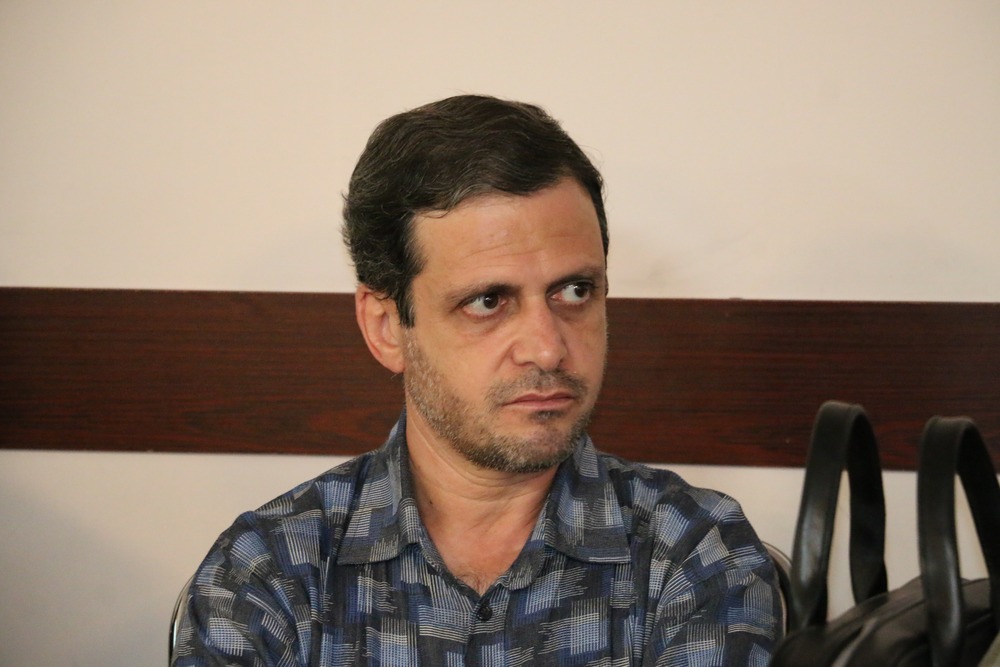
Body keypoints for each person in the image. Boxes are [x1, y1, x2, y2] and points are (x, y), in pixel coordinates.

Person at [173, 94, 782, 666]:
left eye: (575, 291)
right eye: (488, 301)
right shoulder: (271, 573)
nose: (548, 346)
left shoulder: (693, 554)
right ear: (387, 327)